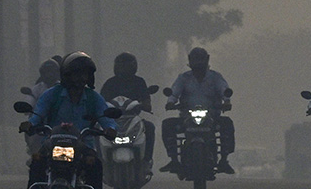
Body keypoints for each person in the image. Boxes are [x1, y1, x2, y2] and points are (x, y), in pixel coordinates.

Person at [21, 51, 117, 189]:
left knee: (95, 165)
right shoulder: (52, 95)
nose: (81, 78)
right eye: (77, 73)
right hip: (51, 143)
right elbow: (39, 113)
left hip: (83, 145)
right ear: (67, 75)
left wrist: (110, 128)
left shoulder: (93, 98)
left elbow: (106, 117)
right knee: (37, 163)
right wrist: (30, 124)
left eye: (85, 74)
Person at [161, 46, 235, 175]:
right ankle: (173, 159)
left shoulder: (215, 77)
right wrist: (170, 102)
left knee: (227, 124)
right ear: (190, 60)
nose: (198, 63)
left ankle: (224, 160)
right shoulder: (183, 78)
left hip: (211, 117)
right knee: (167, 125)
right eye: (196, 59)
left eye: (201, 59)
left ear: (207, 60)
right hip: (187, 118)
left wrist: (226, 101)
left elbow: (224, 90)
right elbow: (174, 92)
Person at [100, 52, 157, 176]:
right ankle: (101, 162)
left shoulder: (139, 82)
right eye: (121, 66)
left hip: (133, 118)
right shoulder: (110, 83)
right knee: (96, 131)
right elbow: (101, 100)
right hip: (112, 119)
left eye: (126, 66)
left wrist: (145, 105)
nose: (123, 70)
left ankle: (146, 161)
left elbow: (146, 100)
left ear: (133, 67)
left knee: (150, 127)